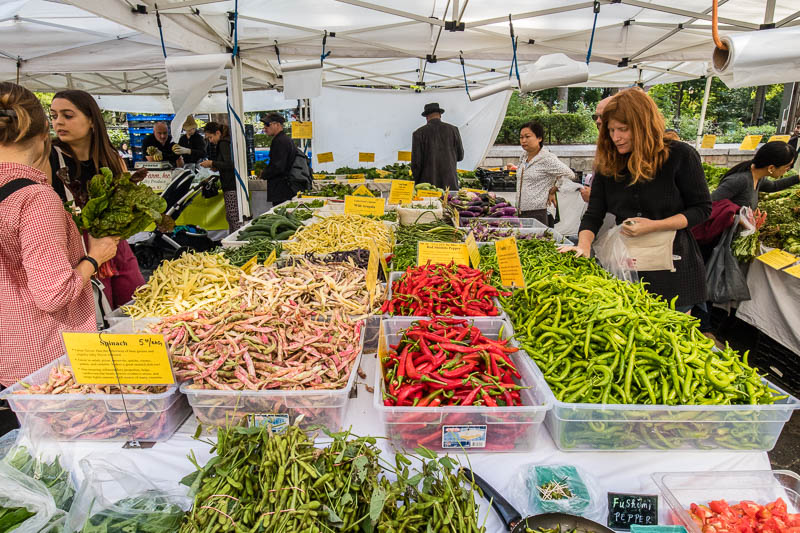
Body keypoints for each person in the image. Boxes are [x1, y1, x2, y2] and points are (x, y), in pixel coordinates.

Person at [0, 82, 119, 388]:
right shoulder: (35, 199)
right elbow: (52, 294)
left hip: (9, 354)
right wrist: (95, 258)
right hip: (45, 363)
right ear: (43, 136)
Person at [562, 88, 712, 311]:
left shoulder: (681, 156)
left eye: (623, 129)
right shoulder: (608, 163)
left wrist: (656, 225)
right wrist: (583, 246)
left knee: (670, 337)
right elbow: (594, 214)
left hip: (673, 269)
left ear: (643, 124)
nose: (616, 137)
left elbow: (701, 209)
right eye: (611, 130)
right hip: (626, 265)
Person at [47, 89, 145, 309]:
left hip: (114, 246)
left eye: (67, 115)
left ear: (91, 120)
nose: (59, 122)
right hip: (77, 253)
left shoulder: (111, 157)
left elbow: (126, 204)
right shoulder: (50, 157)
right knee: (98, 314)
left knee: (136, 305)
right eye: (54, 116)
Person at [515, 121, 574, 226]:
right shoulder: (523, 156)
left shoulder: (547, 158)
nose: (523, 140)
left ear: (539, 138)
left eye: (527, 137)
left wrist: (554, 189)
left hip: (539, 212)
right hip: (521, 211)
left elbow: (569, 174)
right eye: (521, 137)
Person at [711, 141, 798, 210]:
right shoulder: (739, 180)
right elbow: (707, 205)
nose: (788, 169)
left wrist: (798, 178)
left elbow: (773, 186)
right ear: (771, 168)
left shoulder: (758, 177)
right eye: (787, 166)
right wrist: (737, 218)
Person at [411, 103, 464, 190]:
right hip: (450, 184)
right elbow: (460, 156)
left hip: (428, 186)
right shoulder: (454, 130)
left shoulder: (418, 133)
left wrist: (416, 182)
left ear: (426, 117)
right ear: (440, 115)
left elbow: (416, 164)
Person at [200, 121, 241, 232]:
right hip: (232, 184)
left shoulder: (223, 143)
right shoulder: (227, 141)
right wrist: (216, 166)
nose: (210, 141)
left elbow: (230, 164)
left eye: (210, 137)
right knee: (232, 216)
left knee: (233, 217)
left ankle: (237, 239)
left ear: (218, 133)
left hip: (231, 185)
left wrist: (212, 163)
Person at [581, 96, 614, 203]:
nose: (598, 121)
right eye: (596, 117)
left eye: (603, 116)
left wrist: (596, 196)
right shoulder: (604, 147)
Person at [259, 112, 295, 206]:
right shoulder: (285, 139)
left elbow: (278, 166)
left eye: (267, 124)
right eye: (264, 125)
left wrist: (264, 173)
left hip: (282, 190)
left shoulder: (280, 141)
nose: (265, 128)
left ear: (277, 125)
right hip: (286, 189)